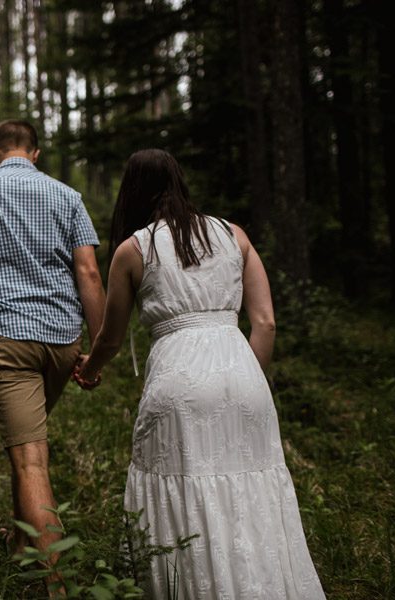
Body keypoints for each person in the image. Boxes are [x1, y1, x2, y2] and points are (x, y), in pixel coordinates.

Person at [74, 149, 325, 599]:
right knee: (250, 489)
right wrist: (244, 373)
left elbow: (110, 339)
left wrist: (88, 369)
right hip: (243, 375)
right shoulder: (234, 235)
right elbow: (265, 322)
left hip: (178, 380)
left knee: (182, 490)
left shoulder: (134, 249)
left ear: (132, 192)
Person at [0, 120, 107, 579]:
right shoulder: (68, 197)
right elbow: (90, 274)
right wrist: (96, 354)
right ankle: (23, 542)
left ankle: (53, 583)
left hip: (7, 340)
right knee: (27, 446)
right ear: (35, 154)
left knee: (30, 459)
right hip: (62, 341)